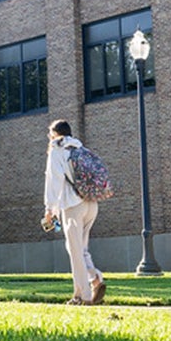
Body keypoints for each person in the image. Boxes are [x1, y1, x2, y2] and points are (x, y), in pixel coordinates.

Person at [42, 120, 104, 305]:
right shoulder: (80, 148)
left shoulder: (56, 150)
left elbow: (53, 181)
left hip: (72, 205)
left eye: (49, 134)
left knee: (76, 252)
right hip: (91, 203)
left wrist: (49, 209)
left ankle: (81, 296)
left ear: (54, 134)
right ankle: (94, 278)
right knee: (79, 249)